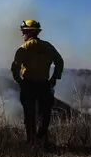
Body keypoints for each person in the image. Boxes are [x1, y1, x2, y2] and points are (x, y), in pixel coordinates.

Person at [10, 19, 64, 148]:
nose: (23, 34)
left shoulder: (23, 48)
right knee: (44, 114)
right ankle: (42, 140)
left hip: (28, 84)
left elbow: (15, 67)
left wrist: (19, 81)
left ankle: (31, 141)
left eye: (24, 32)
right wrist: (54, 78)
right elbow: (59, 61)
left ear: (28, 32)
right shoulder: (48, 46)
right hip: (44, 84)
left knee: (29, 115)